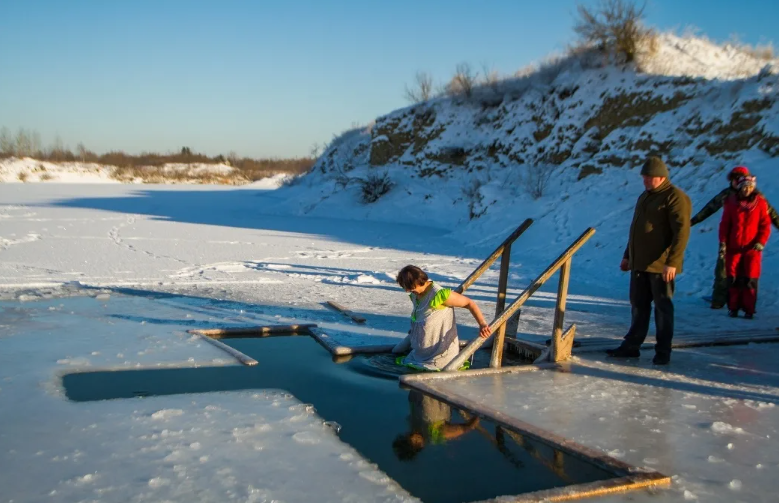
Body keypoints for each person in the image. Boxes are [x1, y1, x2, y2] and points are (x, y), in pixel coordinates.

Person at [607, 157, 691, 365]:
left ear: (661, 177)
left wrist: (672, 262)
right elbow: (636, 229)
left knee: (663, 308)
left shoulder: (675, 197)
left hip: (661, 265)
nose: (645, 181)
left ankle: (663, 351)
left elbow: (681, 232)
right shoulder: (645, 196)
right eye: (644, 177)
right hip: (640, 263)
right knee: (638, 305)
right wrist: (628, 256)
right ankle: (631, 346)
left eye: (649, 178)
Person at [691, 166, 779, 309]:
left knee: (746, 273)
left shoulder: (756, 197)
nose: (735, 182)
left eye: (738, 179)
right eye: (734, 179)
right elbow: (709, 209)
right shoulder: (727, 195)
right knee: (723, 270)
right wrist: (692, 221)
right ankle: (719, 300)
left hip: (750, 242)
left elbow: (771, 215)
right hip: (730, 240)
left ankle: (741, 303)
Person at [393, 265, 491, 371]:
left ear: (419, 281)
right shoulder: (415, 295)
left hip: (439, 354)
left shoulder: (439, 294)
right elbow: (420, 315)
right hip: (420, 352)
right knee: (396, 353)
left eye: (411, 288)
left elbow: (469, 303)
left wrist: (482, 324)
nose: (408, 291)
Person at [719, 175, 771, 319]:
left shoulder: (760, 203)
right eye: (744, 187)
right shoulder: (731, 202)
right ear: (740, 188)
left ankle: (749, 309)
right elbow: (725, 224)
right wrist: (723, 242)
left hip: (752, 249)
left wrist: (761, 242)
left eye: (750, 187)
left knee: (750, 279)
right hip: (734, 248)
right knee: (733, 279)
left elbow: (765, 225)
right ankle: (733, 307)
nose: (747, 189)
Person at [392, 390, 480, 461]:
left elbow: (446, 433)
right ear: (421, 446)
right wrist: (468, 426)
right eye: (415, 442)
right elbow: (447, 433)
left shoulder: (429, 434)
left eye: (411, 439)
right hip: (425, 388)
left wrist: (469, 426)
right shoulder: (413, 423)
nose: (414, 437)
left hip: (435, 388)